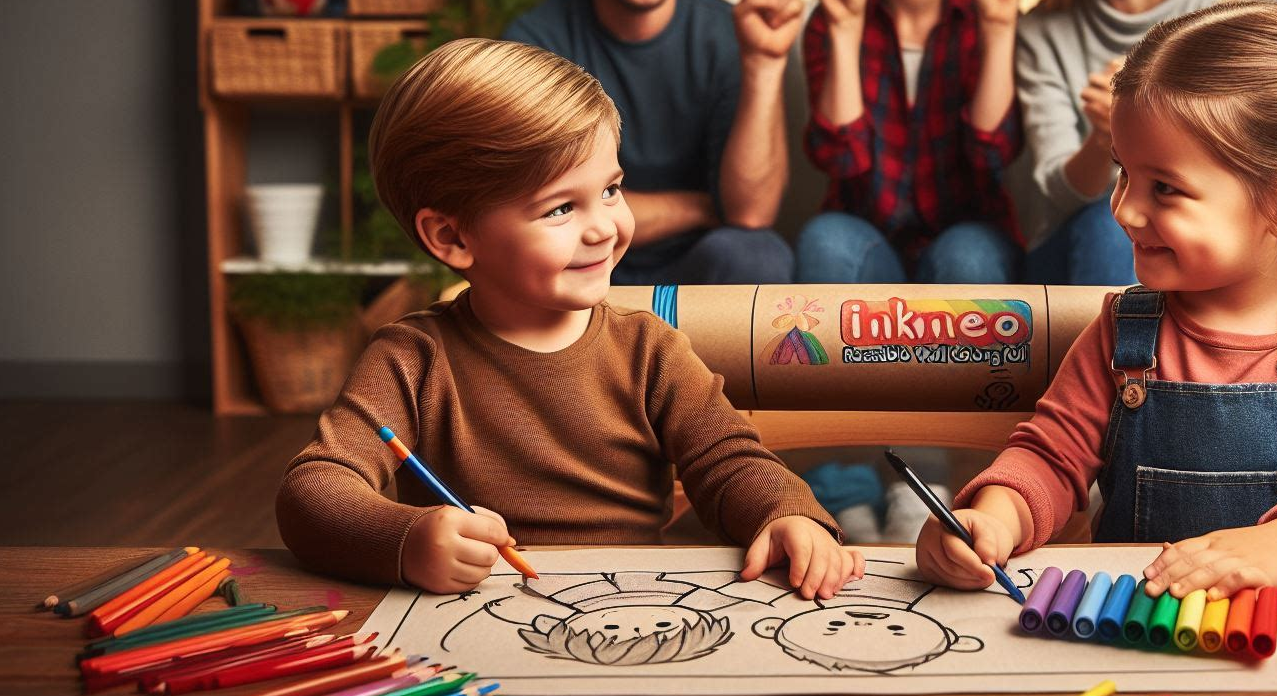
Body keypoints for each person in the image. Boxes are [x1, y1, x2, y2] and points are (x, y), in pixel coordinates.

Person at [276, 39, 862, 600]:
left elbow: (728, 461)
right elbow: (313, 491)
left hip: (632, 611)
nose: (604, 226)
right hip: (468, 625)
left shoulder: (649, 350)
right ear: (451, 236)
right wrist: (406, 540)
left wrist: (786, 514)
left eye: (611, 189)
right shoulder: (412, 359)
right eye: (561, 207)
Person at [916, 0, 1277, 600]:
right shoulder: (1123, 332)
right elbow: (1050, 456)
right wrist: (995, 516)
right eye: (1123, 172)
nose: (1123, 208)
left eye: (1165, 187)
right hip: (1126, 631)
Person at [504, 0, 806, 284]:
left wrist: (762, 62)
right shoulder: (536, 45)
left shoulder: (729, 33)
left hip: (701, 268)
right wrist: (702, 205)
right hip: (582, 266)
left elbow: (749, 213)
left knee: (756, 254)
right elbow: (550, 211)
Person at [796, 0, 1024, 285]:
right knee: (825, 241)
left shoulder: (984, 9)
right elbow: (843, 159)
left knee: (967, 258)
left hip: (968, 235)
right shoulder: (831, 17)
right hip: (866, 238)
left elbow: (992, 154)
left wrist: (998, 30)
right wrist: (845, 30)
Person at [1016, 0, 1237, 286]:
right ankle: (1120, 360)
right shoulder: (1041, 32)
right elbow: (1058, 194)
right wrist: (1104, 139)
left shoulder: (1219, 14)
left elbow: (1240, 161)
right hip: (1073, 244)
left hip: (1192, 238)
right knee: (1114, 221)